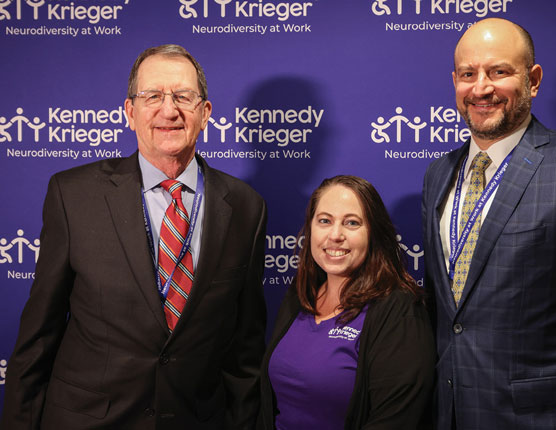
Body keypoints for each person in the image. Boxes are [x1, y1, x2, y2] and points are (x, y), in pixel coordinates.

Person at [1, 44, 267, 429]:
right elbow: (38, 338)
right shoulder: (73, 194)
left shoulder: (246, 207)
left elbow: (245, 351)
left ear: (205, 113)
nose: (169, 110)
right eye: (152, 96)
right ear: (129, 112)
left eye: (183, 96)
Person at [422, 18, 556, 429]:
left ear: (533, 79)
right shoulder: (439, 174)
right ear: (454, 81)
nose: (481, 87)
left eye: (499, 71)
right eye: (468, 74)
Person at [258, 175, 435, 429]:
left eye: (352, 223)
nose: (335, 235)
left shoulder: (399, 310)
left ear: (373, 233)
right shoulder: (300, 296)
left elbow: (395, 419)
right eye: (324, 221)